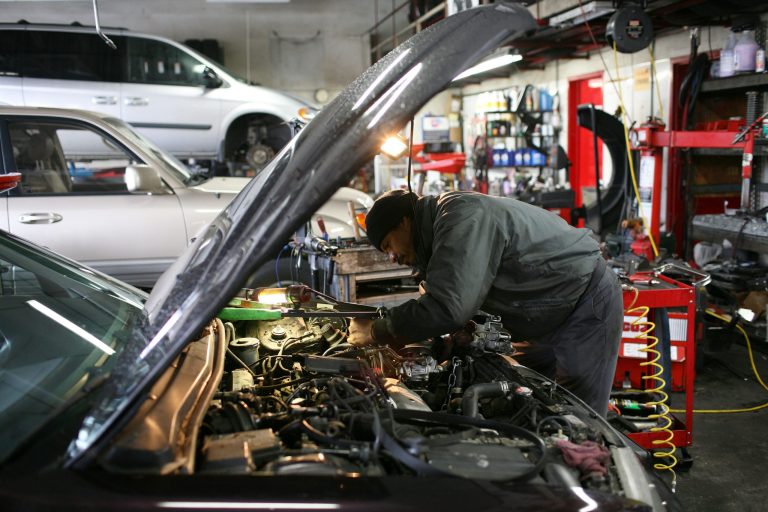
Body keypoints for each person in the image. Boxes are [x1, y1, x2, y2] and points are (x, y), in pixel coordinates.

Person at [348, 189, 623, 416]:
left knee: (578, 420)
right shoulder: (437, 237)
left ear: (404, 223)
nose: (391, 258)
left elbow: (448, 307)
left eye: (387, 245)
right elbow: (461, 295)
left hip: (584, 305)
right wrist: (451, 338)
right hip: (541, 318)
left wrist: (376, 330)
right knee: (521, 399)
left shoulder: (462, 218)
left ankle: (583, 480)